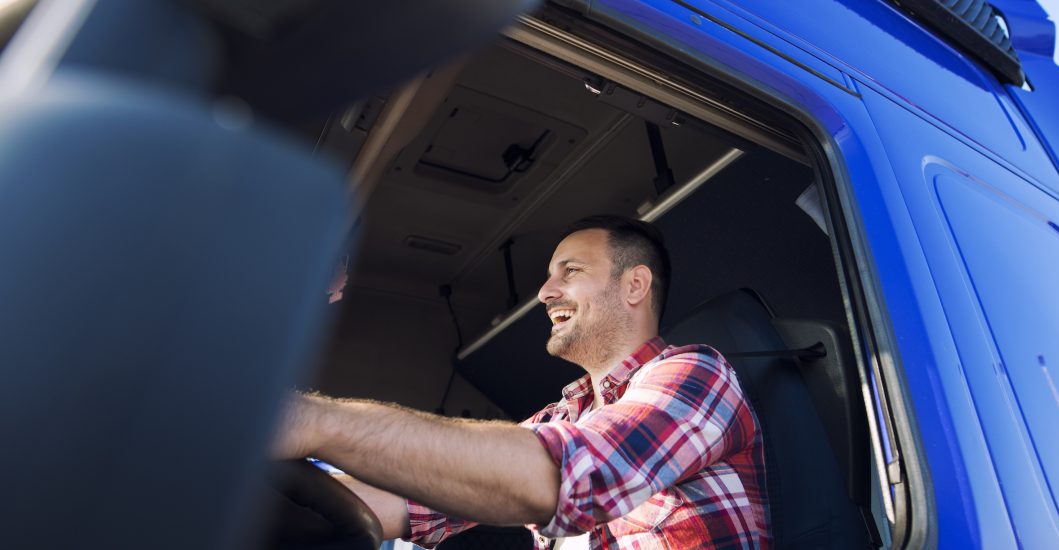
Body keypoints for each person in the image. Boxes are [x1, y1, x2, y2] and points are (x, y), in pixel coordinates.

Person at [274, 215, 771, 548]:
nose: (544, 292)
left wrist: (320, 422)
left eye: (569, 271)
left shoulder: (696, 374)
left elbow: (565, 478)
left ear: (635, 285)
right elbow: (415, 498)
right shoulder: (562, 417)